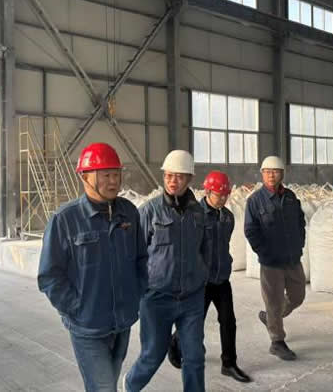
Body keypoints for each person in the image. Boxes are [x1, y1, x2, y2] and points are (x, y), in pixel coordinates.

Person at [38, 142, 148, 392]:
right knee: (104, 387)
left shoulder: (129, 213)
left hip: (122, 323)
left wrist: (136, 294)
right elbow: (49, 276)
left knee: (108, 382)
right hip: (87, 326)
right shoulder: (65, 219)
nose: (113, 181)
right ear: (85, 177)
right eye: (106, 175)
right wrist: (77, 307)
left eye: (116, 174)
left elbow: (141, 259)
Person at [124, 150, 211, 392]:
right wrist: (139, 291)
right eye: (168, 176)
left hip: (192, 297)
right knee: (153, 355)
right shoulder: (149, 212)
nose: (173, 181)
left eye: (179, 176)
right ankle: (130, 385)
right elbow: (134, 255)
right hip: (157, 298)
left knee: (194, 356)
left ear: (189, 178)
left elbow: (205, 249)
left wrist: (201, 276)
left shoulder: (198, 213)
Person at [167, 171, 251, 383]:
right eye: (218, 194)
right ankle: (175, 342)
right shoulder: (195, 215)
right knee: (194, 323)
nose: (222, 198)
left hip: (221, 279)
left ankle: (229, 364)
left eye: (225, 195)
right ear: (207, 191)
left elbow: (224, 245)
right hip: (200, 282)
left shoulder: (228, 217)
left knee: (228, 322)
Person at [244, 155, 306, 361]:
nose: (271, 175)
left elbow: (300, 222)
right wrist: (264, 252)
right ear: (262, 174)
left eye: (276, 171)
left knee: (297, 296)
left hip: (292, 258)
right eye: (267, 172)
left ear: (282, 174)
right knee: (273, 301)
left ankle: (271, 317)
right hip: (271, 262)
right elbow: (250, 230)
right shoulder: (254, 201)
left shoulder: (290, 197)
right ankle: (277, 341)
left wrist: (299, 244)